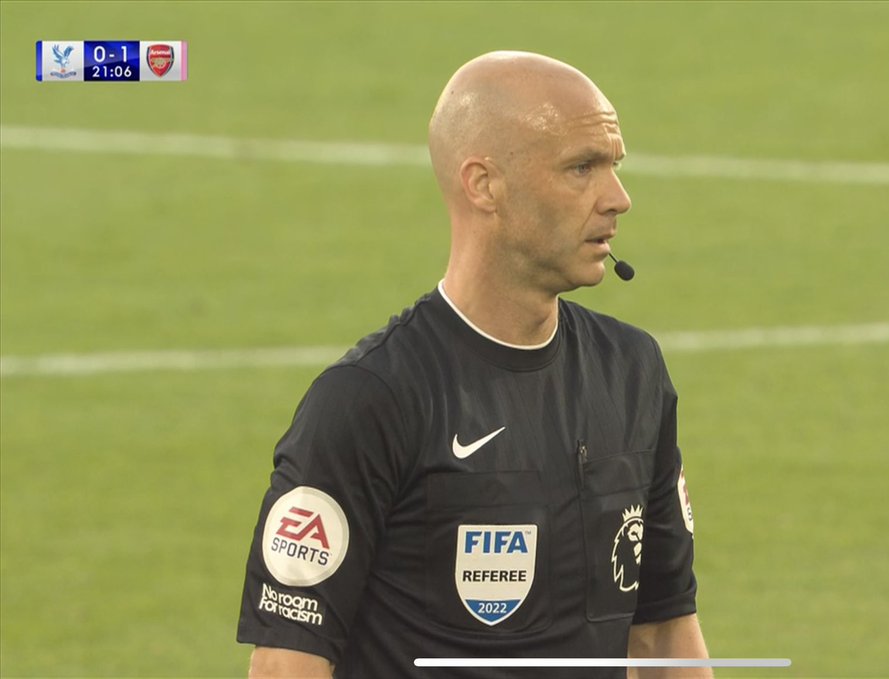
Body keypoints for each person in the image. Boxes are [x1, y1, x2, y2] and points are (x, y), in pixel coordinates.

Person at [236, 50, 711, 678]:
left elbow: (663, 636)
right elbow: (286, 662)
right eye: (581, 168)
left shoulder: (632, 373)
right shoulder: (372, 398)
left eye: (613, 166)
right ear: (484, 184)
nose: (618, 198)